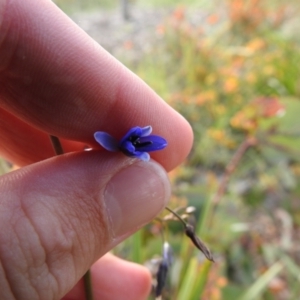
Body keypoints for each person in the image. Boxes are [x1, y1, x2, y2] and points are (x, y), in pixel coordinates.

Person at [0, 0, 193, 299]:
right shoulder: (114, 144)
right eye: (136, 141)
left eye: (138, 142)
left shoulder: (119, 144)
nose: (138, 145)